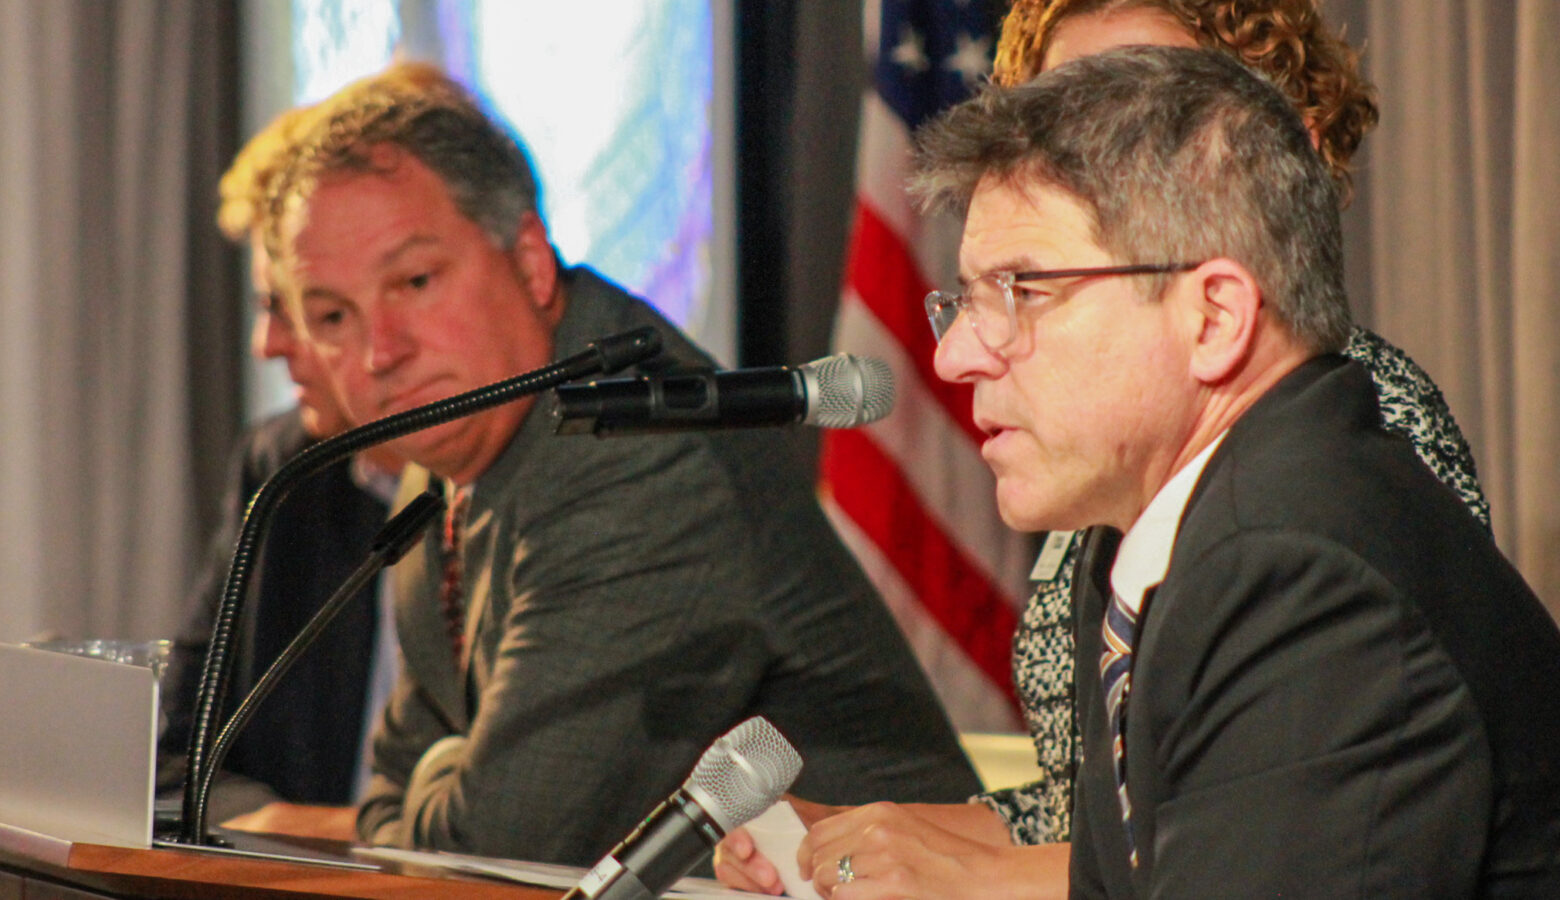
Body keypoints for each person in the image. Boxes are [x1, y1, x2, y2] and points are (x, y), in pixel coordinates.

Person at [737, 45, 1560, 897]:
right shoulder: (1161, 543)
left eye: (1020, 289)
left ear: (1214, 317)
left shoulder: (1301, 575)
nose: (954, 357)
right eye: (965, 298)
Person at [258, 66, 981, 865]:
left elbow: (499, 848)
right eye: (331, 315)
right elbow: (394, 786)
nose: (377, 352)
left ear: (531, 263)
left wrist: (429, 782)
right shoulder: (451, 436)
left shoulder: (639, 449)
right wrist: (430, 784)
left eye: (416, 281)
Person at [978, 0, 1491, 855]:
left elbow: (1305, 815)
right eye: (1059, 113)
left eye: (1133, 112)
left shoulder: (1341, 466)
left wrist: (980, 878)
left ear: (1281, 148)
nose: (967, 351)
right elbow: (1103, 810)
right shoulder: (1119, 461)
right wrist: (864, 840)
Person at [158, 101, 402, 837]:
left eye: (306, 308)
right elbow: (172, 752)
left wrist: (350, 835)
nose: (268, 343)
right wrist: (286, 825)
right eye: (270, 303)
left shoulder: (510, 479)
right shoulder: (282, 469)